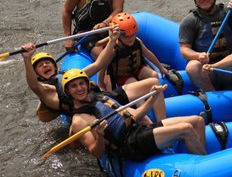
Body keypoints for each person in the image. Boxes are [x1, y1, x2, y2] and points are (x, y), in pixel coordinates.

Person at [21, 27, 166, 122]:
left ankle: (161, 124)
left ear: (55, 65)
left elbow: (98, 64)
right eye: (40, 65)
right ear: (37, 75)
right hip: (94, 108)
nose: (45, 65)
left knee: (153, 83)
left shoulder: (73, 76)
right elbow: (34, 85)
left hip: (101, 95)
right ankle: (152, 131)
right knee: (140, 119)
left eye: (47, 62)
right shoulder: (48, 92)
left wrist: (112, 40)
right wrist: (27, 59)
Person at [62, 68, 207, 161]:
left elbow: (135, 116)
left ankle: (197, 157)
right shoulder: (78, 121)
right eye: (74, 86)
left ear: (87, 85)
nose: (79, 88)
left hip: (138, 130)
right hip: (130, 145)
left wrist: (153, 97)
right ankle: (203, 167)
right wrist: (99, 136)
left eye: (81, 83)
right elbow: (97, 153)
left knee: (198, 121)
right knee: (186, 128)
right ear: (68, 91)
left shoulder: (101, 99)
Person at [94, 12, 170, 90]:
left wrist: (161, 68)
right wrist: (100, 85)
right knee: (135, 84)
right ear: (118, 36)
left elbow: (149, 55)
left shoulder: (137, 42)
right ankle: (143, 99)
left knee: (154, 75)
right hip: (123, 77)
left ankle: (155, 95)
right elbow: (102, 67)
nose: (130, 39)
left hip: (137, 69)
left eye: (132, 35)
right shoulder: (113, 49)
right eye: (126, 37)